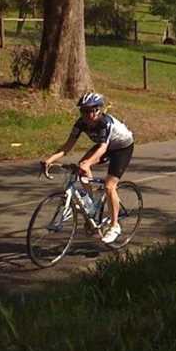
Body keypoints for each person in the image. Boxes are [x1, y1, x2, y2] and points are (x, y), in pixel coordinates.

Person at [41, 92, 134, 244]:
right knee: (82, 167)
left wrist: (88, 162)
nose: (85, 115)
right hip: (105, 146)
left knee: (109, 186)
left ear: (98, 110)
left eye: (88, 111)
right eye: (82, 111)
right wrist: (49, 160)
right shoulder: (80, 123)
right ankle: (91, 205)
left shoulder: (105, 123)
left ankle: (114, 225)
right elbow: (67, 146)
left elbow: (103, 148)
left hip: (122, 148)